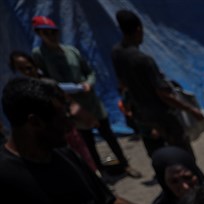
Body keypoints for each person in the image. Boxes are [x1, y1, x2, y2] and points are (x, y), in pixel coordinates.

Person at [0, 78, 148, 204]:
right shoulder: (5, 176)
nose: (69, 126)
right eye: (61, 118)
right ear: (35, 122)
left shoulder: (65, 154)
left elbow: (106, 200)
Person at [30, 15, 139, 177]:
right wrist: (67, 93)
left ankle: (123, 164)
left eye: (54, 32)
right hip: (72, 105)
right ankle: (101, 170)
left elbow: (89, 72)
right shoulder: (39, 55)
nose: (52, 36)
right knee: (88, 141)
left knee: (108, 134)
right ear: (39, 34)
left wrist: (88, 83)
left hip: (91, 101)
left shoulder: (71, 51)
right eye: (46, 33)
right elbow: (46, 81)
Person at [111, 10, 204, 155]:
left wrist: (129, 106)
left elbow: (122, 84)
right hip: (162, 117)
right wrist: (191, 109)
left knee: (158, 155)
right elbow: (163, 94)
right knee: (182, 154)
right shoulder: (143, 60)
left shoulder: (116, 53)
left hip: (141, 116)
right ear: (139, 30)